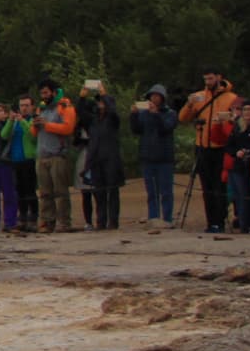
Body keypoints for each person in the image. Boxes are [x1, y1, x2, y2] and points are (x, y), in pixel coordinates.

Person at [178, 70, 240, 227]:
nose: (208, 81)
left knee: (220, 185)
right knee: (206, 186)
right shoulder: (199, 96)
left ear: (219, 78)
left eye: (211, 78)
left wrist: (228, 120)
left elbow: (238, 121)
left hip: (221, 146)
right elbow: (183, 118)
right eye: (205, 78)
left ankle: (220, 220)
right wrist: (189, 104)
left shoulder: (231, 98)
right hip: (202, 145)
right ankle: (211, 221)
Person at [78, 81, 125, 232]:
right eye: (98, 101)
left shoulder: (112, 120)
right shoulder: (93, 121)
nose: (100, 103)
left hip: (111, 159)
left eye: (102, 101)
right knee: (99, 192)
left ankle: (113, 221)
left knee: (112, 190)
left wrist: (105, 94)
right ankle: (101, 221)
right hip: (96, 159)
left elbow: (112, 110)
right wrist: (82, 97)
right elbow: (81, 112)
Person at [131, 86, 179, 225]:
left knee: (166, 191)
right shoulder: (143, 113)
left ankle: (167, 218)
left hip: (165, 157)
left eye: (158, 96)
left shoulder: (170, 113)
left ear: (163, 98)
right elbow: (136, 130)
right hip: (147, 156)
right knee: (151, 191)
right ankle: (153, 217)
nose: (154, 98)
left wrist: (156, 114)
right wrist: (134, 115)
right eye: (152, 96)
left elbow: (165, 128)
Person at [34, 81, 77, 233]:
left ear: (53, 92)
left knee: (60, 192)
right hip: (42, 154)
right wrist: (35, 124)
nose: (43, 96)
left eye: (46, 92)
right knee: (45, 193)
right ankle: (47, 222)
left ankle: (64, 222)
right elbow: (34, 133)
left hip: (58, 155)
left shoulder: (65, 106)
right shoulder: (41, 108)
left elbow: (68, 128)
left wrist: (47, 125)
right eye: (41, 93)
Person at [223, 106, 250, 235]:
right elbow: (228, 145)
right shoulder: (237, 127)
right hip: (239, 166)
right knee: (241, 196)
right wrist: (236, 152)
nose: (247, 113)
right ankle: (244, 225)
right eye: (245, 110)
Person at [7, 95, 40, 232]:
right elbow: (4, 135)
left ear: (32, 107)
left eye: (27, 105)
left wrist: (23, 122)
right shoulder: (15, 122)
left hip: (29, 159)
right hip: (16, 159)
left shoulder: (34, 121)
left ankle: (33, 219)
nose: (24, 108)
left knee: (30, 190)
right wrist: (10, 121)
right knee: (19, 190)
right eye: (21, 105)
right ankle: (23, 218)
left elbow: (33, 136)